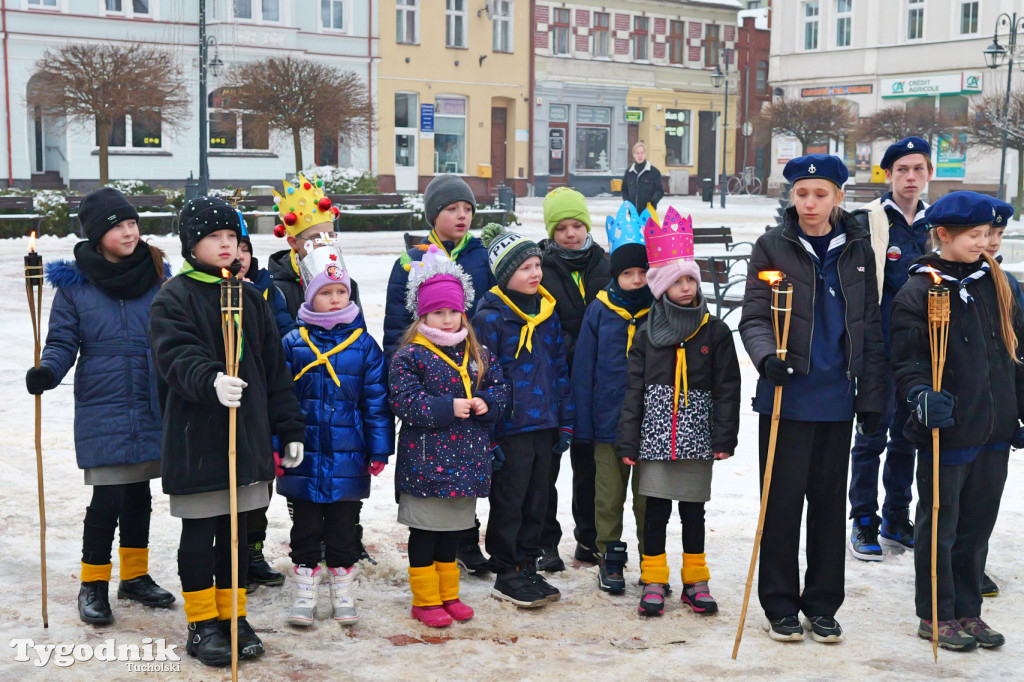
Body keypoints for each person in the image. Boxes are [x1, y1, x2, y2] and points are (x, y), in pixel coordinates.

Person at [149, 196, 306, 667]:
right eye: (214, 238)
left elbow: (274, 370)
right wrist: (211, 380)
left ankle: (233, 615)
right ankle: (202, 622)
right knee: (202, 534)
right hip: (198, 440)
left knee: (238, 534)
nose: (226, 246)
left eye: (233, 238)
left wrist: (289, 427)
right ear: (192, 243)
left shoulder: (251, 297)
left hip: (248, 441)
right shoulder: (173, 296)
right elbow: (175, 355)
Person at [739, 154, 885, 644]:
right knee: (780, 507)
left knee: (826, 506)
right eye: (802, 193)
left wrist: (871, 396)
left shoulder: (858, 248)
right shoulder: (773, 246)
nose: (810, 203)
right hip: (786, 397)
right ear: (792, 197)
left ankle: (822, 603)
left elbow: (869, 326)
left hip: (837, 397)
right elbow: (754, 316)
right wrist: (765, 358)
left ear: (840, 197)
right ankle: (779, 603)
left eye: (820, 194)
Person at [25, 187, 174, 626]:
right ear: (97, 236)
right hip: (103, 401)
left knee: (139, 495)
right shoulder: (75, 286)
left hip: (151, 398)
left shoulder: (157, 274)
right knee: (107, 497)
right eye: (118, 226)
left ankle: (135, 575)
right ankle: (93, 583)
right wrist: (48, 372)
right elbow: (62, 342)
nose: (129, 232)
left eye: (132, 223)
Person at [891, 191, 1024, 652]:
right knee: (940, 526)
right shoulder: (921, 289)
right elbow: (906, 361)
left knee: (976, 526)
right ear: (942, 234)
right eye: (973, 235)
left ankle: (969, 610)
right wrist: (920, 396)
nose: (983, 241)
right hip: (946, 431)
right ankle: (936, 612)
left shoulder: (999, 283)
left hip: (994, 431)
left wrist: (1018, 410)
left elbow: (1016, 355)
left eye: (988, 233)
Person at [617, 210, 740, 617]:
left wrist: (724, 436)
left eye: (691, 278)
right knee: (654, 510)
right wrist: (628, 438)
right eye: (677, 280)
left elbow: (727, 388)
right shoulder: (647, 332)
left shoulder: (715, 331)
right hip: (653, 435)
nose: (686, 287)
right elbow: (633, 387)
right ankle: (653, 578)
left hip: (697, 436)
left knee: (692, 510)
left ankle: (695, 579)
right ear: (660, 286)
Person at [389, 246, 509, 626]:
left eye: (453, 311)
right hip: (426, 466)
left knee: (453, 535)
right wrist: (447, 407)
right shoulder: (410, 355)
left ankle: (448, 594)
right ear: (423, 313)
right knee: (426, 534)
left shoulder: (477, 352)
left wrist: (487, 402)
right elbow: (404, 401)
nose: (446, 319)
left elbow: (500, 387)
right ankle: (425, 599)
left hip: (465, 466)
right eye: (438, 312)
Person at [383, 174, 497, 574]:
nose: (462, 216)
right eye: (452, 209)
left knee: (469, 463)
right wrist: (394, 376)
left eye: (467, 209)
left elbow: (488, 310)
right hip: (426, 375)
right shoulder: (411, 258)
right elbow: (396, 321)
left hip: (470, 368)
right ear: (434, 214)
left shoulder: (481, 257)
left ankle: (467, 540)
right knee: (434, 468)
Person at [277, 241, 393, 628]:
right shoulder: (293, 344)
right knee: (305, 527)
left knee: (344, 528)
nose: (334, 298)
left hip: (349, 455)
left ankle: (343, 592)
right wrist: (277, 447)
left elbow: (375, 403)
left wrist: (379, 449)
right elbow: (281, 401)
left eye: (340, 290)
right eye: (325, 292)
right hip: (304, 456)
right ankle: (305, 592)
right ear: (311, 296)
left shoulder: (364, 346)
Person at [472, 224, 574, 607]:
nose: (535, 273)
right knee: (510, 501)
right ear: (504, 275)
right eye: (525, 268)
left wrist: (566, 420)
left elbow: (559, 369)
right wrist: (491, 434)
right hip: (511, 427)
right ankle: (506, 571)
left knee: (539, 499)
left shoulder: (547, 312)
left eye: (537, 265)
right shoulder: (491, 317)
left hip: (545, 424)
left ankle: (528, 564)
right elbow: (480, 376)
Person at [849, 137, 932, 561]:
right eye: (902, 169)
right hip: (878, 350)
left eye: (918, 169)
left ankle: (895, 517)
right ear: (888, 175)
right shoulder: (871, 221)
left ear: (929, 173)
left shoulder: (938, 224)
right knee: (870, 438)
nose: (911, 177)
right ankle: (862, 519)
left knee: (907, 438)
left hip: (919, 353)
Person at [572, 215, 652, 593]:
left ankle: (652, 557)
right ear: (615, 275)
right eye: (628, 273)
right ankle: (610, 556)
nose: (637, 280)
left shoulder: (659, 310)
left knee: (648, 499)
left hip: (651, 426)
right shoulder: (600, 311)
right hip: (607, 423)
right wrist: (583, 426)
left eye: (643, 272)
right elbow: (584, 372)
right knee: (607, 496)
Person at [537, 187, 611, 570]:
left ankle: (590, 538)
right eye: (562, 227)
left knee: (591, 467)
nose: (571, 234)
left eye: (577, 225)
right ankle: (545, 541)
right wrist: (577, 347)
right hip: (552, 382)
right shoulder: (540, 267)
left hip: (596, 385)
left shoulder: (606, 264)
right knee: (545, 469)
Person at [236, 221, 294, 591]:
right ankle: (231, 555)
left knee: (261, 482)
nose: (238, 255)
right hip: (224, 396)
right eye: (228, 245)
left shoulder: (267, 290)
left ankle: (253, 551)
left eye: (243, 247)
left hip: (263, 397)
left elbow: (286, 334)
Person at [266, 174, 361, 320]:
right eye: (316, 237)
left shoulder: (348, 285)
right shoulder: (277, 288)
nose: (324, 242)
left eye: (330, 235)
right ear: (293, 242)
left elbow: (359, 330)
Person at [621, 142, 664, 213]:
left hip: (648, 213)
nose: (640, 155)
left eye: (642, 153)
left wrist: (653, 201)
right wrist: (628, 204)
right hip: (633, 213)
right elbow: (624, 190)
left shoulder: (654, 172)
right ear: (633, 154)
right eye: (637, 153)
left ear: (645, 154)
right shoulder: (629, 172)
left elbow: (659, 191)